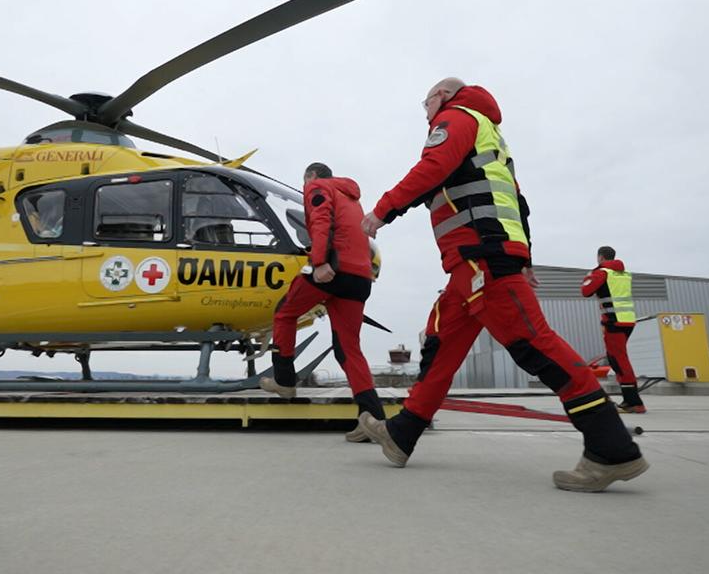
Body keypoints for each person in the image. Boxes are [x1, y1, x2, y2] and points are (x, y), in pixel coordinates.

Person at [358, 77, 648, 492]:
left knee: (534, 344)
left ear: (441, 96)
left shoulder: (455, 118)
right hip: (471, 262)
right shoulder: (490, 137)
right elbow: (518, 203)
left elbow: (433, 168)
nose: (425, 111)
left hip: (481, 256)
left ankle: (612, 448)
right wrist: (526, 257)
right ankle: (402, 433)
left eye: (425, 102)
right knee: (441, 343)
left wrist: (382, 211)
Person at [260, 162, 386, 441]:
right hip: (360, 277)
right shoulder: (351, 197)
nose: (305, 187)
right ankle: (373, 419)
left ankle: (284, 381)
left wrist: (318, 262)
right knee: (348, 349)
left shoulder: (317, 187)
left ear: (312, 176)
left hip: (332, 269)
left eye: (304, 181)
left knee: (284, 313)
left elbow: (320, 221)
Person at [581, 246, 645, 413]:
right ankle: (631, 400)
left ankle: (633, 402)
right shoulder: (624, 275)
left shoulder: (602, 273)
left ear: (600, 257)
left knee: (619, 360)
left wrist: (590, 275)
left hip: (613, 322)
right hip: (627, 321)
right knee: (617, 358)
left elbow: (586, 291)